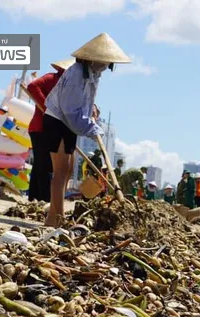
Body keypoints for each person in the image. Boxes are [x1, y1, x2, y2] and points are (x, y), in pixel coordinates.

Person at [41, 33, 131, 227]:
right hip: (57, 120)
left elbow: (83, 101)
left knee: (67, 170)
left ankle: (52, 219)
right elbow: (70, 110)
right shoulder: (75, 74)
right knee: (60, 170)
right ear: (94, 58)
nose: (106, 66)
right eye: (105, 62)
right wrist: (92, 129)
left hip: (66, 122)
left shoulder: (91, 74)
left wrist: (92, 109)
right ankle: (58, 218)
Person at [26, 58, 74, 202]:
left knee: (41, 163)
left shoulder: (70, 87)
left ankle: (34, 197)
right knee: (45, 164)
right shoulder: (52, 78)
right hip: (40, 127)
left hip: (50, 128)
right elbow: (32, 86)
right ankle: (44, 198)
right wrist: (48, 108)